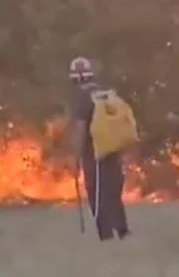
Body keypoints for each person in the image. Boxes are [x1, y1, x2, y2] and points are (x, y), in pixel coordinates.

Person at [69, 56, 133, 241]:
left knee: (96, 192)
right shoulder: (105, 92)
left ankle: (105, 234)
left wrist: (77, 156)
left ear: (75, 78)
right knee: (112, 190)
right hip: (113, 149)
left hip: (94, 153)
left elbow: (81, 128)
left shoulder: (83, 97)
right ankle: (123, 230)